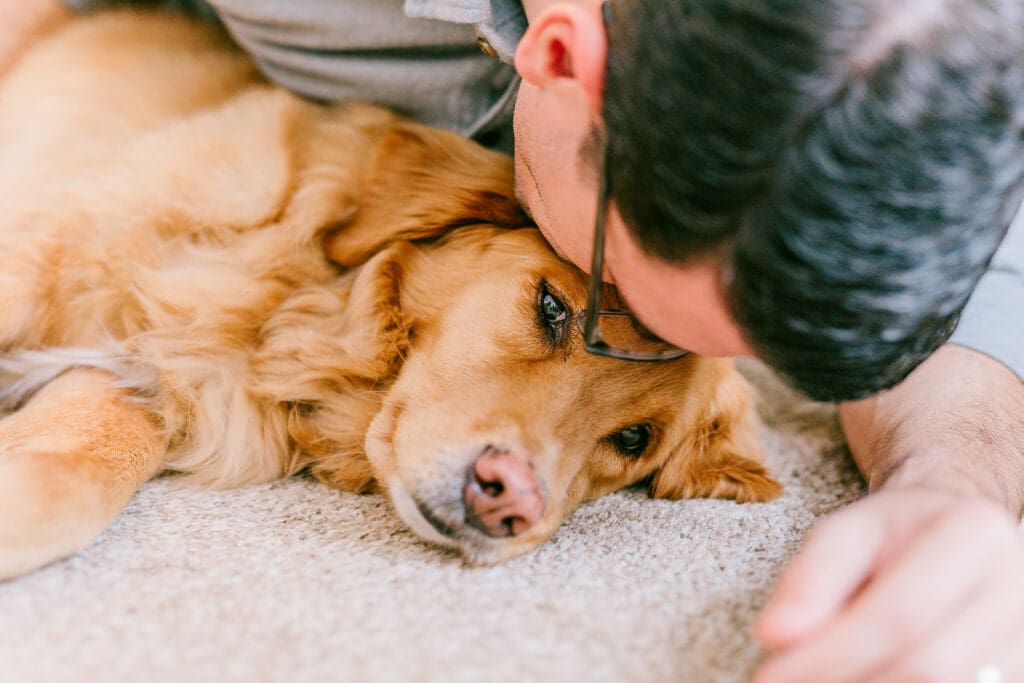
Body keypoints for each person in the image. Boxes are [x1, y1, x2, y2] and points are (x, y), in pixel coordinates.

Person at [4, 0, 1024, 680]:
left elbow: (992, 287)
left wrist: (950, 486)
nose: (523, 474)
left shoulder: (948, 71)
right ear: (558, 59)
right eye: (576, 303)